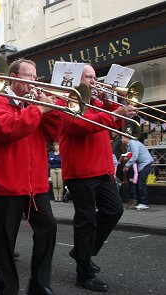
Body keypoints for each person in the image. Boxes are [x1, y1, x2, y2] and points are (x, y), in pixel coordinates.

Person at [0, 58, 60, 295]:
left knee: (48, 228)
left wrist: (52, 109)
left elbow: (54, 133)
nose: (33, 82)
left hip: (35, 185)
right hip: (6, 185)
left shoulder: (33, 106)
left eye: (35, 77)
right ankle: (8, 290)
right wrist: (38, 110)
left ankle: (39, 283)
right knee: (5, 243)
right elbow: (7, 130)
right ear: (13, 77)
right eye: (28, 77)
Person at [58, 63, 137, 292]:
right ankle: (84, 274)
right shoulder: (67, 100)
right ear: (75, 78)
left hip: (103, 169)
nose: (93, 81)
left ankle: (83, 250)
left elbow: (114, 125)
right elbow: (79, 125)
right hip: (80, 170)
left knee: (114, 210)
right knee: (86, 221)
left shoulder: (99, 102)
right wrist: (114, 114)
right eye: (88, 77)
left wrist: (122, 108)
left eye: (94, 77)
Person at [121, 136, 154, 210]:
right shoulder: (129, 145)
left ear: (127, 138)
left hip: (145, 164)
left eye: (122, 138)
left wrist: (127, 165)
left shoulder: (133, 143)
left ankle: (144, 203)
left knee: (141, 183)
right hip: (142, 165)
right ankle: (141, 202)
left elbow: (135, 156)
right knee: (140, 182)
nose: (121, 139)